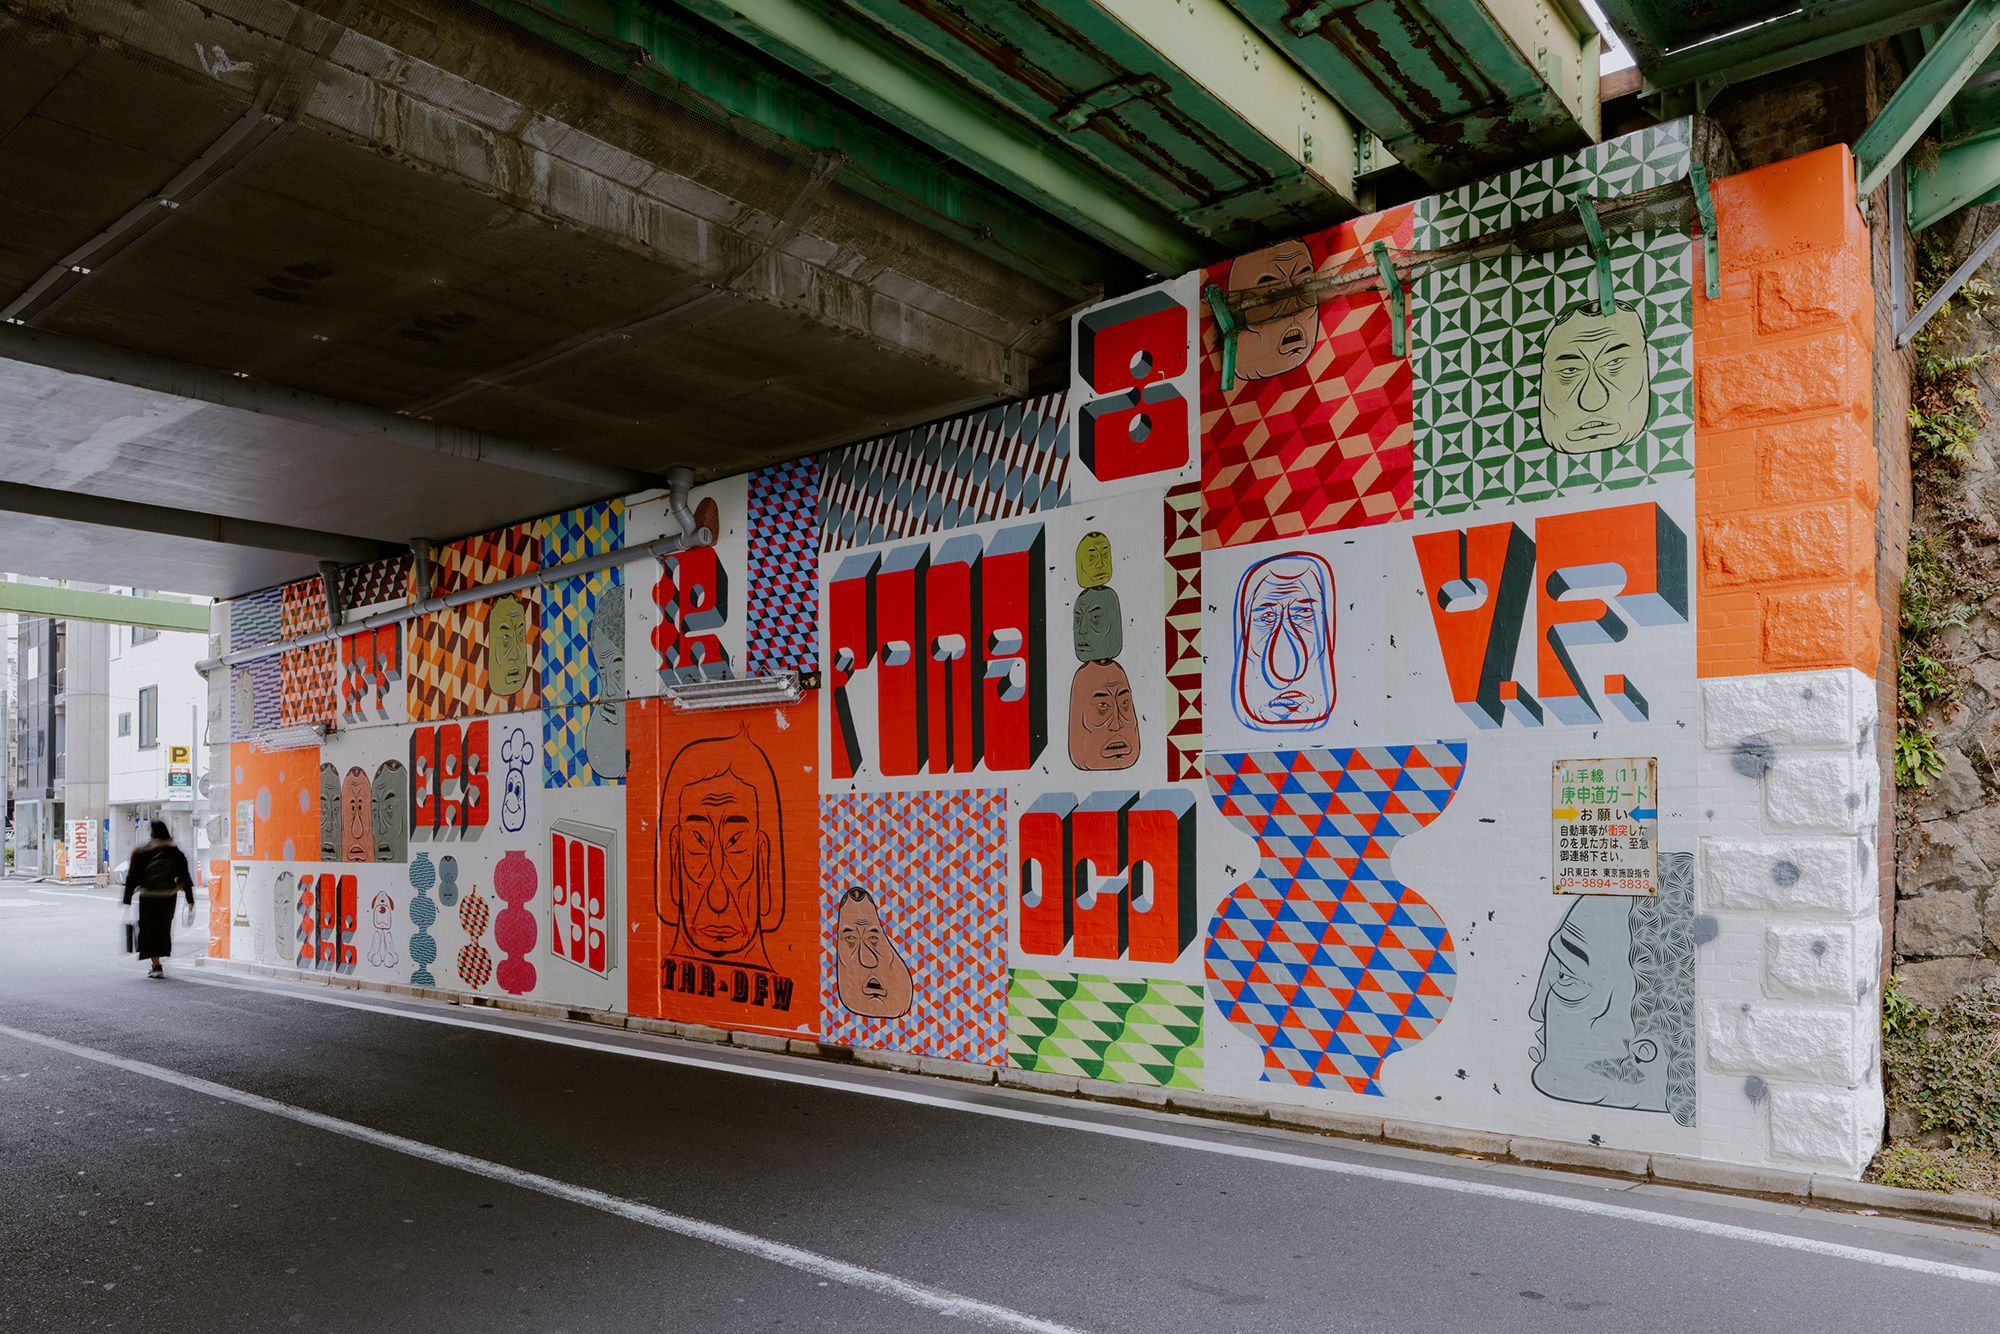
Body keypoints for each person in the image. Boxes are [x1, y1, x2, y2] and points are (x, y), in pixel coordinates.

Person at [123, 820, 193, 980]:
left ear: (152, 834)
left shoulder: (142, 852)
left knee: (148, 931)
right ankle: (160, 959)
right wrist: (190, 899)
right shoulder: (175, 853)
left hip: (148, 897)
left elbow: (132, 877)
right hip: (168, 897)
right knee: (163, 929)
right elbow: (185, 877)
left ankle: (156, 965)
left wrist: (127, 899)